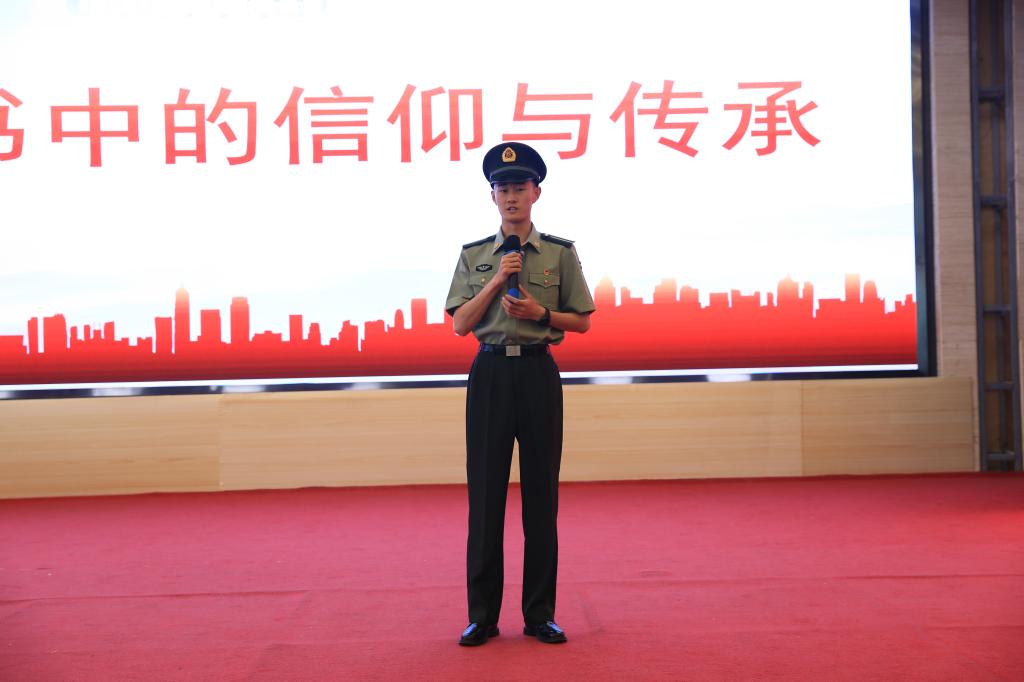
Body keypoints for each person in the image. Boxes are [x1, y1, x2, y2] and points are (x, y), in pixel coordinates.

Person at [445, 142, 596, 646]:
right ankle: (482, 616)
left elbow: (582, 321)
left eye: (520, 187)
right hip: (489, 374)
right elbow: (460, 325)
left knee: (540, 499)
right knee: (486, 497)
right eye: (503, 188)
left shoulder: (559, 253)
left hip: (537, 374)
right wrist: (496, 282)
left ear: (536, 193)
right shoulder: (474, 256)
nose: (511, 196)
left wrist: (542, 315)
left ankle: (539, 615)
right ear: (492, 196)